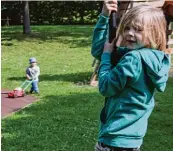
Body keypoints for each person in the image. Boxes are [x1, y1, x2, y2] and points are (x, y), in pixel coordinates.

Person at [91, 1, 171, 151]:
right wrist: (105, 16)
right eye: (126, 28)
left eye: (138, 29)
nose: (129, 33)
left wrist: (107, 55)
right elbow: (98, 51)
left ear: (154, 32)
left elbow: (105, 87)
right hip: (132, 139)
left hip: (115, 138)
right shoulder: (155, 58)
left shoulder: (133, 58)